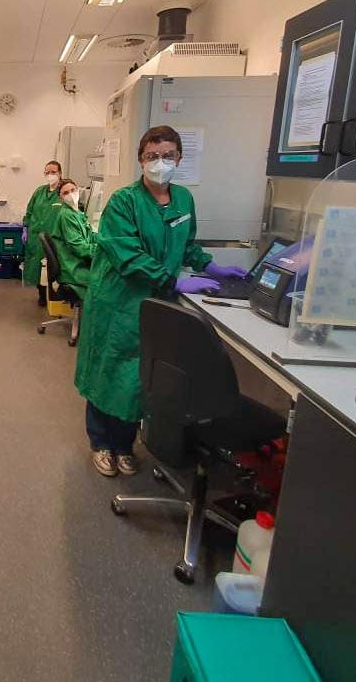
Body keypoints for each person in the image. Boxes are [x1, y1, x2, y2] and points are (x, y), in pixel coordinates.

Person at [73, 126, 249, 478]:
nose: (160, 163)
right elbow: (128, 256)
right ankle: (101, 442)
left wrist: (211, 267)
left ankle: (125, 445)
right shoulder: (124, 202)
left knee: (141, 378)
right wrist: (175, 279)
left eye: (168, 155)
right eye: (153, 156)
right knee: (108, 371)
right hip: (118, 300)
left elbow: (186, 245)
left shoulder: (183, 200)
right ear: (141, 160)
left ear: (179, 158)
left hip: (156, 302)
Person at [22, 160, 65, 306]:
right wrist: (25, 228)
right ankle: (41, 295)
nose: (50, 175)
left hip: (55, 237)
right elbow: (29, 210)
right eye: (47, 172)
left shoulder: (63, 192)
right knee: (37, 267)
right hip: (36, 235)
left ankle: (54, 296)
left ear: (60, 173)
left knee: (52, 267)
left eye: (53, 172)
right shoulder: (40, 191)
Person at [48, 178, 96, 297]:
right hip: (73, 269)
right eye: (65, 193)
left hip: (78, 263)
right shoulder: (66, 215)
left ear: (78, 190)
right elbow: (80, 248)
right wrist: (102, 251)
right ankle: (92, 315)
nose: (70, 194)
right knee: (108, 281)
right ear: (61, 198)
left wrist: (106, 241)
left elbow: (90, 236)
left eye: (73, 190)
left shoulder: (77, 213)